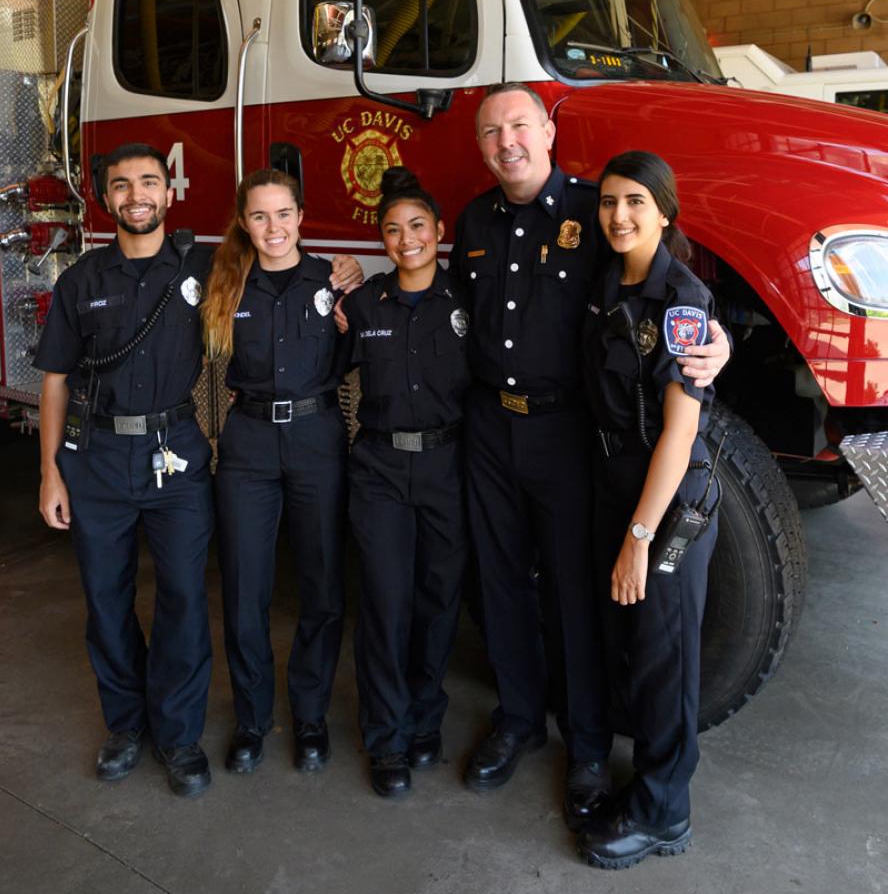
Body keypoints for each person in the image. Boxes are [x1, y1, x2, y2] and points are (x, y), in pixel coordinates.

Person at [449, 84, 730, 831]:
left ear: (547, 131)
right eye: (490, 131)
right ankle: (515, 718)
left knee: (575, 590)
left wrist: (715, 342)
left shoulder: (592, 208)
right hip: (488, 424)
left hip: (567, 430)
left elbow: (665, 297)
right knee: (501, 575)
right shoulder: (473, 219)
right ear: (480, 147)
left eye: (519, 125)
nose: (506, 141)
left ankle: (589, 745)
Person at [36, 142, 215, 797]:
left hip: (178, 458)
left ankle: (176, 734)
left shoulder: (206, 266)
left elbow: (280, 268)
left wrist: (338, 276)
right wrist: (51, 474)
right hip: (99, 463)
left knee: (184, 601)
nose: (136, 195)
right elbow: (55, 382)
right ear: (104, 199)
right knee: (107, 602)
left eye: (148, 182)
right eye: (121, 185)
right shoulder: (81, 281)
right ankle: (126, 726)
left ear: (170, 193)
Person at [576, 151, 720, 869]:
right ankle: (642, 788)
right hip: (614, 480)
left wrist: (639, 538)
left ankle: (666, 813)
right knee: (628, 645)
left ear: (666, 211)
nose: (619, 216)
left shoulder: (684, 304)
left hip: (669, 503)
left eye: (635, 201)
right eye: (607, 202)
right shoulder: (608, 281)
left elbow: (679, 432)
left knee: (666, 655)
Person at [201, 168, 351, 775]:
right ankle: (252, 718)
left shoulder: (332, 281)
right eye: (259, 216)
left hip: (317, 437)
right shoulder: (224, 284)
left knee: (322, 584)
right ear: (244, 221)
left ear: (301, 216)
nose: (273, 228)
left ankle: (310, 715)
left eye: (283, 214)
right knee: (245, 588)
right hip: (250, 443)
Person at [340, 167, 471, 798]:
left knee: (438, 601)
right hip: (381, 471)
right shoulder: (365, 305)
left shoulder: (465, 303)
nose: (405, 239)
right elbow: (327, 365)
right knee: (385, 604)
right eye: (392, 230)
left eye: (417, 226)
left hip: (448, 468)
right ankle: (387, 737)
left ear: (439, 232)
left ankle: (425, 719)